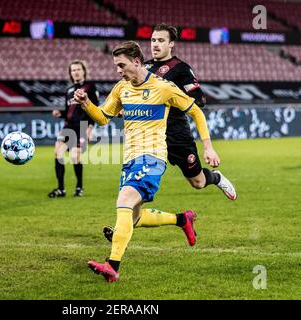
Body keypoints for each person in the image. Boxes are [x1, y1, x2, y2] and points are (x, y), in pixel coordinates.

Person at [74, 41, 217, 282]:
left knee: (125, 201)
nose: (118, 71)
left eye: (122, 65)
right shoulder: (121, 89)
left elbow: (196, 112)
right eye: (116, 66)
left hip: (151, 157)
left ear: (137, 62)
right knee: (134, 217)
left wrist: (208, 146)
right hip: (130, 159)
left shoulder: (163, 88)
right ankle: (183, 219)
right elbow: (103, 118)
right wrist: (87, 104)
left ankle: (112, 265)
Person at [102, 23, 237, 243]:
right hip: (149, 140)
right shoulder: (141, 67)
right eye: (153, 40)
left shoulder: (180, 68)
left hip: (177, 136)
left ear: (171, 44)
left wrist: (207, 145)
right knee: (134, 194)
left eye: (161, 40)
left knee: (198, 182)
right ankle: (123, 227)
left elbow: (198, 102)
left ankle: (216, 178)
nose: (155, 44)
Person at [48, 60, 99, 198]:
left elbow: (95, 109)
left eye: (78, 69)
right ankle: (61, 189)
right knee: (58, 153)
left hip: (81, 127)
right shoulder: (69, 90)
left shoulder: (90, 87)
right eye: (73, 70)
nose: (75, 72)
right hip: (68, 126)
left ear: (84, 71)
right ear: (70, 73)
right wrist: (60, 113)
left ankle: (79, 187)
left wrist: (90, 127)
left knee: (74, 156)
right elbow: (68, 110)